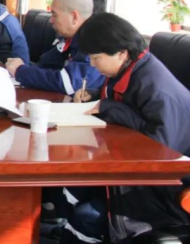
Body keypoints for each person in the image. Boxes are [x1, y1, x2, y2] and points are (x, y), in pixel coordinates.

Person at [55, 13, 190, 243]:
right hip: (127, 171)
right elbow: (129, 106)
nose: (93, 65)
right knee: (68, 184)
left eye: (96, 58)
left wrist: (109, 108)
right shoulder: (130, 69)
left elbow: (160, 149)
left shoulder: (157, 87)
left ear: (122, 53)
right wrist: (95, 96)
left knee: (86, 214)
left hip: (161, 190)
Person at [5, 0, 104, 96]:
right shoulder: (70, 38)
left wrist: (21, 71)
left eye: (55, 15)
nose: (51, 20)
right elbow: (45, 64)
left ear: (74, 17)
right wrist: (21, 69)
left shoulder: (93, 42)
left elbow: (69, 84)